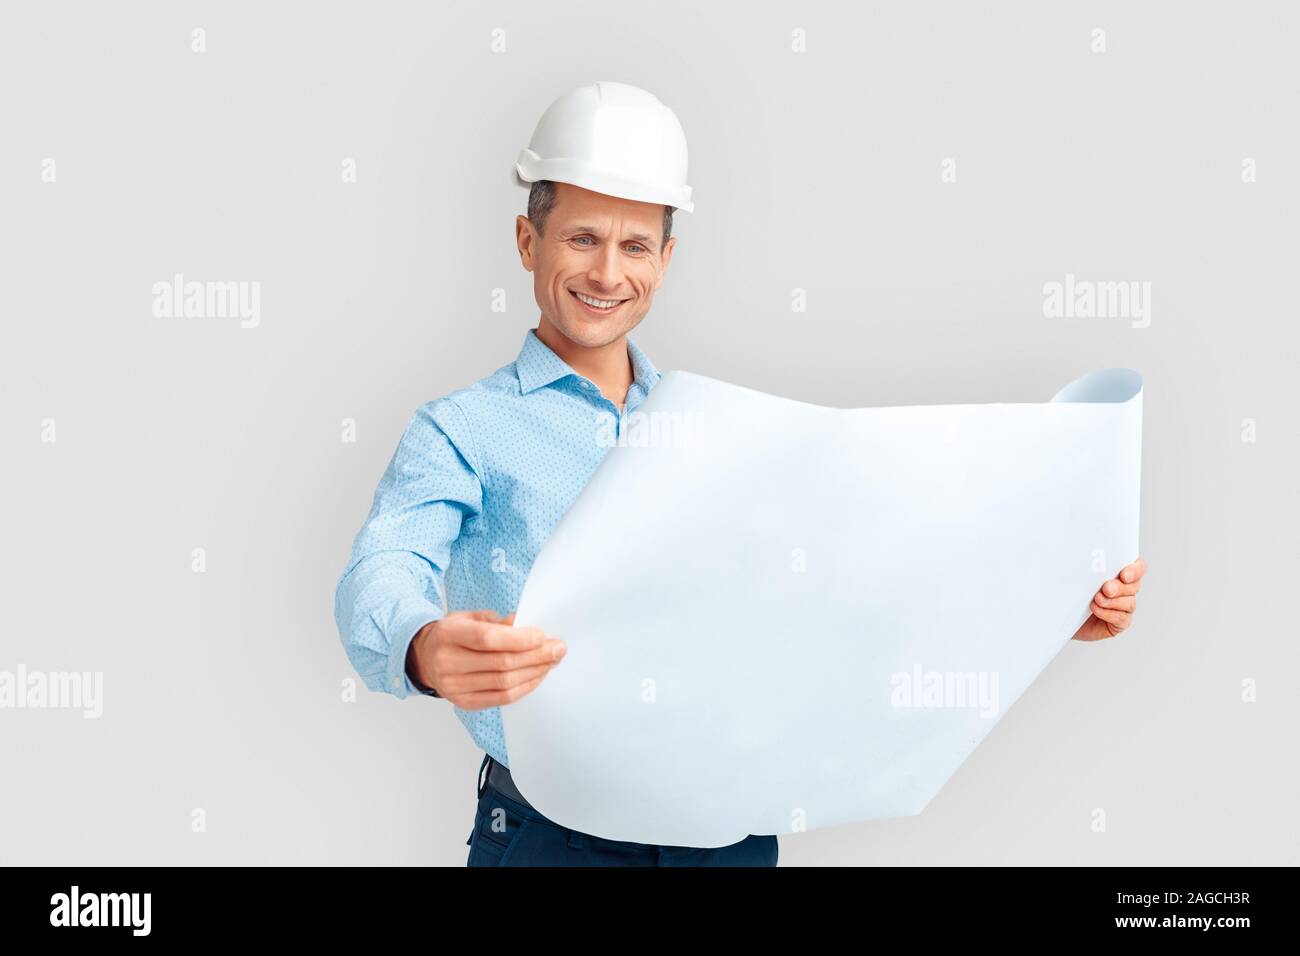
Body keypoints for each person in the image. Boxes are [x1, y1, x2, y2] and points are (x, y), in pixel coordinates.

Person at [333, 81, 1147, 867]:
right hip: (551, 838)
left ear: (667, 256)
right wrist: (420, 645)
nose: (607, 273)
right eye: (582, 238)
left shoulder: (712, 434)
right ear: (527, 241)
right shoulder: (464, 428)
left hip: (726, 835)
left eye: (635, 245)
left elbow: (851, 587)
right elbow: (385, 565)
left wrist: (1039, 613)